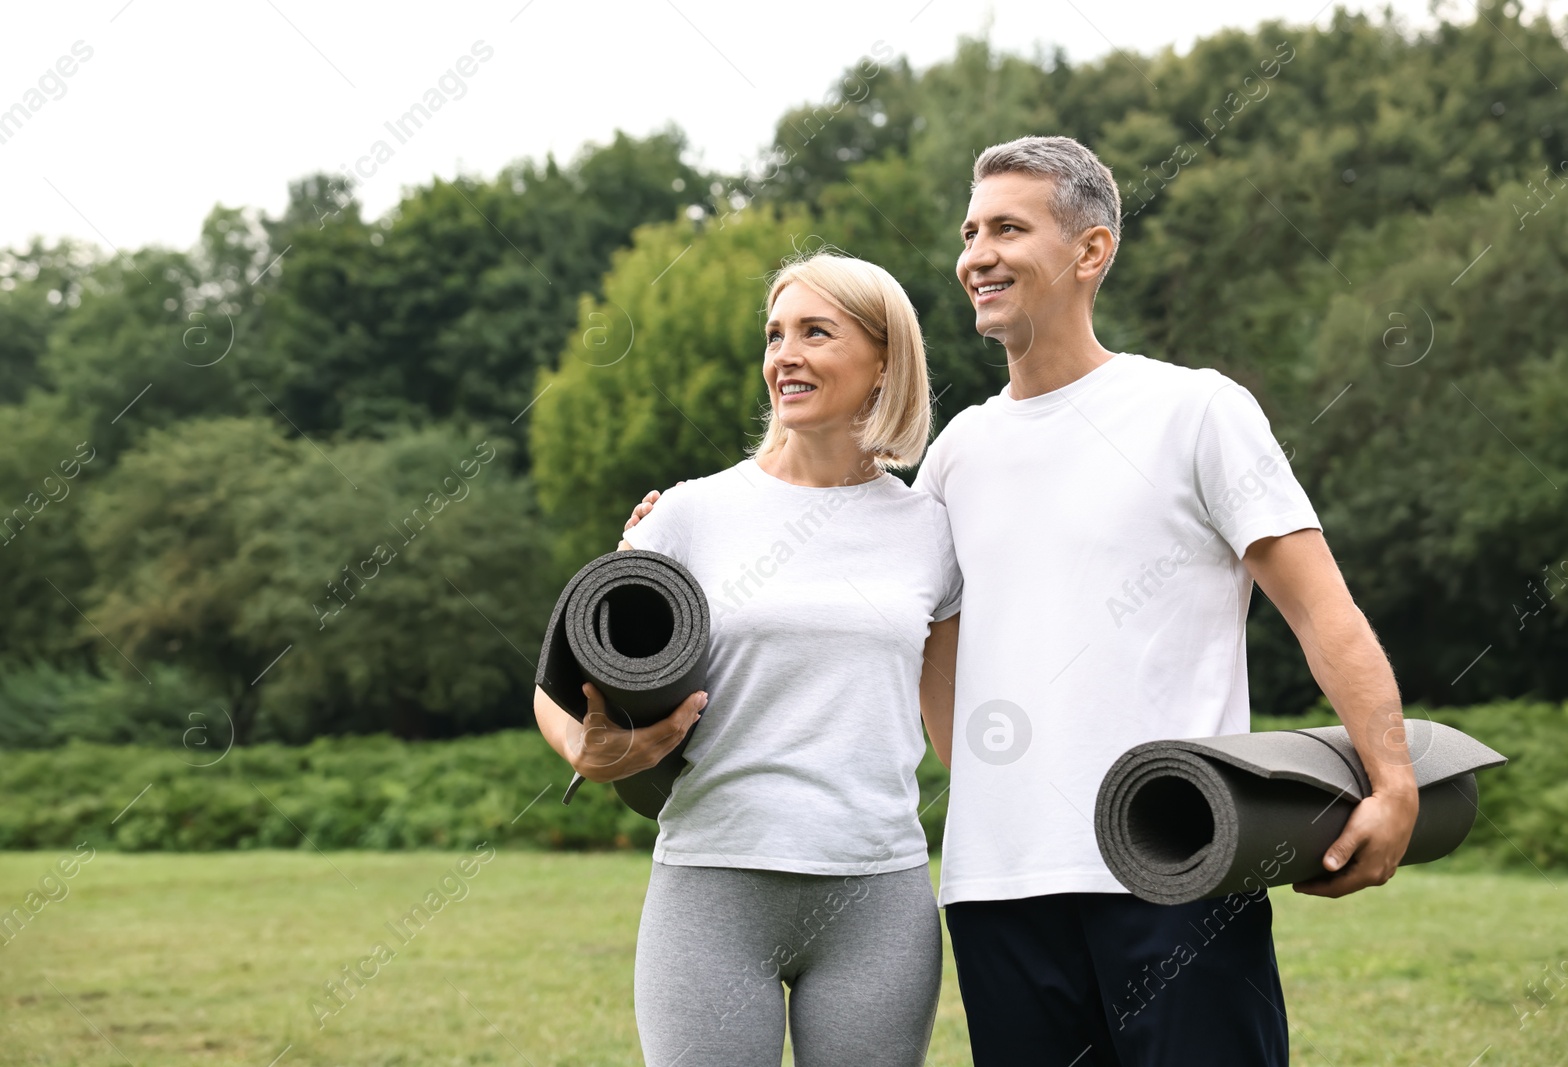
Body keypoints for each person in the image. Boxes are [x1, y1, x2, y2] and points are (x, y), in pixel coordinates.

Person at [631, 137, 1420, 1066]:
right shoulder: (958, 455)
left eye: (1009, 227)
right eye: (970, 233)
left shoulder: (1196, 410)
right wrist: (672, 536)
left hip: (1177, 871)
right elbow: (887, 615)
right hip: (997, 894)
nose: (976, 255)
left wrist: (1393, 777)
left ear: (1091, 251)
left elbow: (1323, 610)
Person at [536, 252, 962, 1067]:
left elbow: (953, 730)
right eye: (774, 335)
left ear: (883, 361)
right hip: (712, 883)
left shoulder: (931, 531)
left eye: (814, 332)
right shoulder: (689, 514)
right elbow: (558, 681)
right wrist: (582, 749)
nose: (784, 355)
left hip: (877, 890)